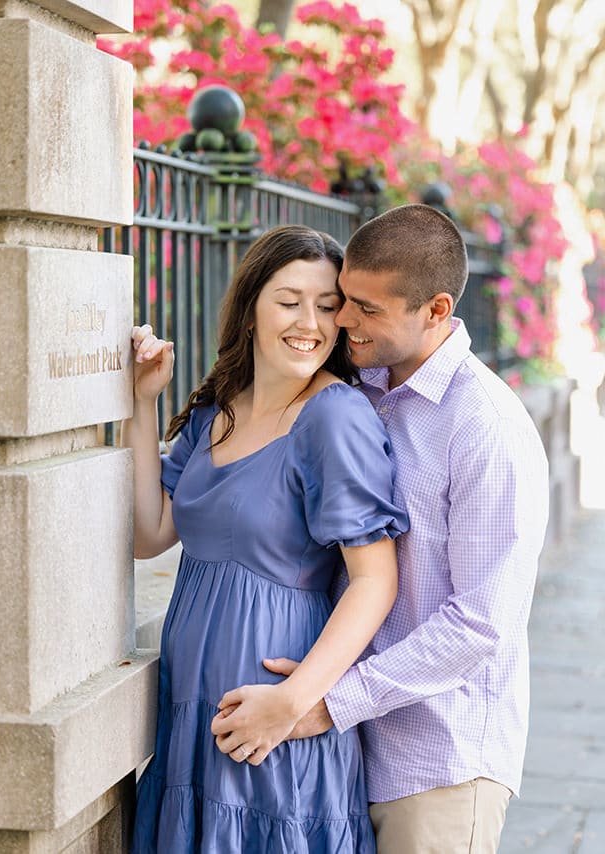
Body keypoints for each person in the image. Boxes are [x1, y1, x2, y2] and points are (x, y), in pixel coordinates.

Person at [214, 204, 550, 852]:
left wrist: (326, 702)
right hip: (337, 752)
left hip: (437, 764)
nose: (342, 320)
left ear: (436, 310)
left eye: (367, 309)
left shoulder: (487, 430)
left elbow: (480, 624)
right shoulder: (357, 388)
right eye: (345, 299)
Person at [128, 225, 408, 852]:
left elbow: (375, 578)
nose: (310, 323)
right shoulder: (217, 410)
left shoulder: (335, 417)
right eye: (289, 302)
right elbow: (150, 533)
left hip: (272, 712)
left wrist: (292, 702)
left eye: (327, 306)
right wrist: (143, 403)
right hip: (193, 711)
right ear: (251, 308)